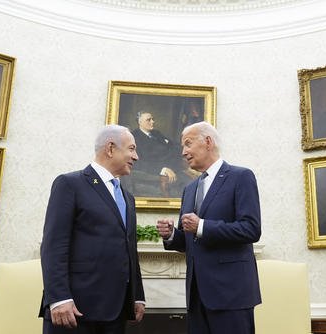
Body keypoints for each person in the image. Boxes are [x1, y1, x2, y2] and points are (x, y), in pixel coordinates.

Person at [156, 121, 261, 334]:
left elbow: (251, 229)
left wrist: (202, 225)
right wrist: (171, 235)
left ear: (208, 142)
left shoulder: (241, 177)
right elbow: (190, 240)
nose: (183, 152)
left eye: (188, 144)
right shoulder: (189, 188)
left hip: (231, 294)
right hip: (196, 295)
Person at [39, 125, 145, 334]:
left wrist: (137, 295)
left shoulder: (127, 197)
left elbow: (129, 250)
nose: (136, 156)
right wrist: (59, 298)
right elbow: (54, 245)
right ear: (110, 148)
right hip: (75, 308)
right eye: (131, 149)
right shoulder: (70, 184)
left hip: (116, 311)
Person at [130, 110, 193, 197]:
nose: (153, 122)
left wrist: (188, 148)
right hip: (156, 175)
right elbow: (138, 162)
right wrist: (162, 169)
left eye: (153, 119)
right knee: (188, 188)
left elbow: (174, 146)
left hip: (175, 167)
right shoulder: (134, 137)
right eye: (149, 120)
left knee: (193, 183)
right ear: (140, 122)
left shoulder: (156, 133)